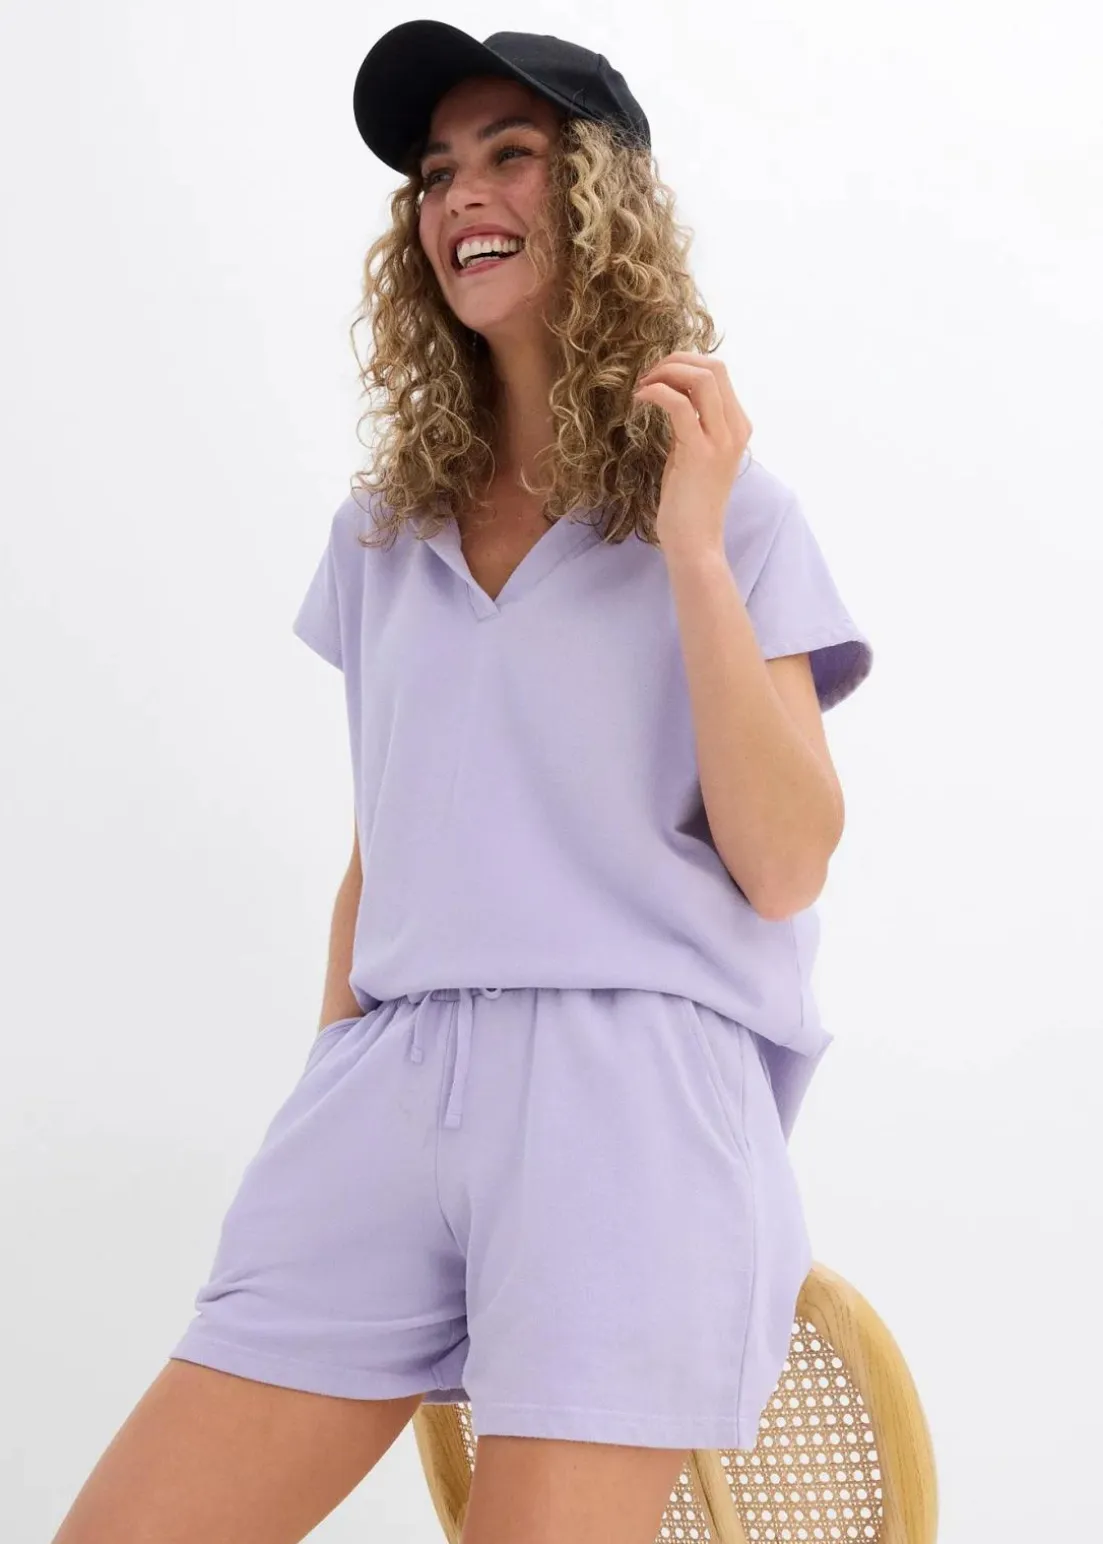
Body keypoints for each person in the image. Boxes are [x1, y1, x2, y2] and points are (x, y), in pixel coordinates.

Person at [51, 21, 873, 1544]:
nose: (460, 197)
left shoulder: (733, 512)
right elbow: (388, 841)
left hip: (625, 1095)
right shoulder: (384, 531)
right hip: (388, 1075)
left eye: (511, 155)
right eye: (435, 174)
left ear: (605, 196)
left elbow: (785, 865)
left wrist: (691, 549)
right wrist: (332, 1077)